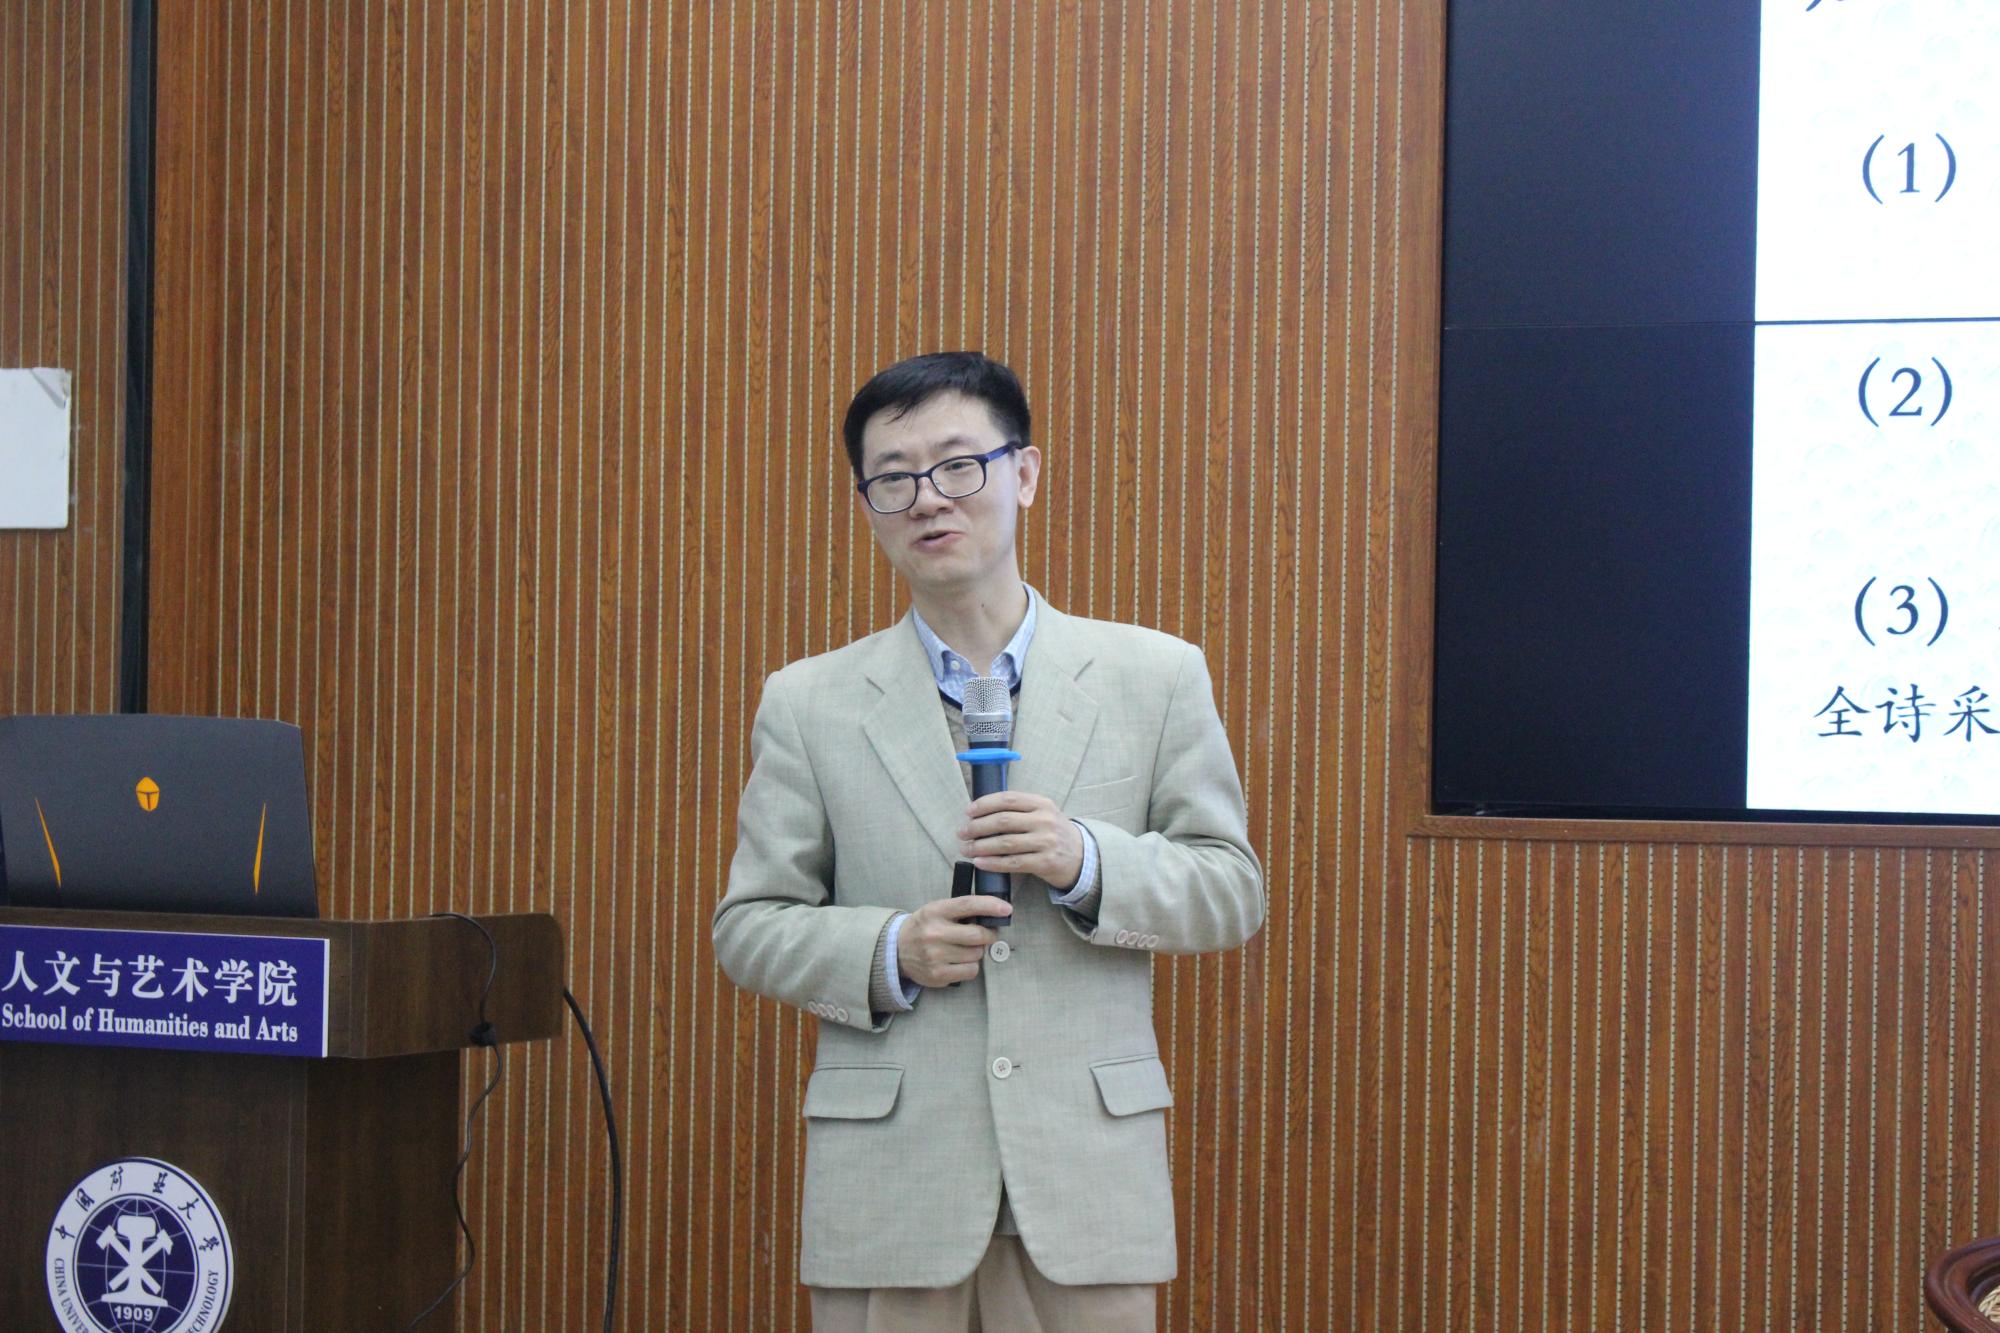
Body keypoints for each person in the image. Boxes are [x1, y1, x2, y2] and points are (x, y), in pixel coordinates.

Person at [712, 351, 1264, 1331]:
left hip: (1085, 1187)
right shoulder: (808, 703)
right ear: (867, 506)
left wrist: (1086, 861)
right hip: (894, 1187)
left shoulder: (1155, 676)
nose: (928, 497)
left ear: (1025, 473)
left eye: (958, 464)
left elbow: (1230, 893)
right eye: (893, 477)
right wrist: (891, 950)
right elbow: (749, 927)